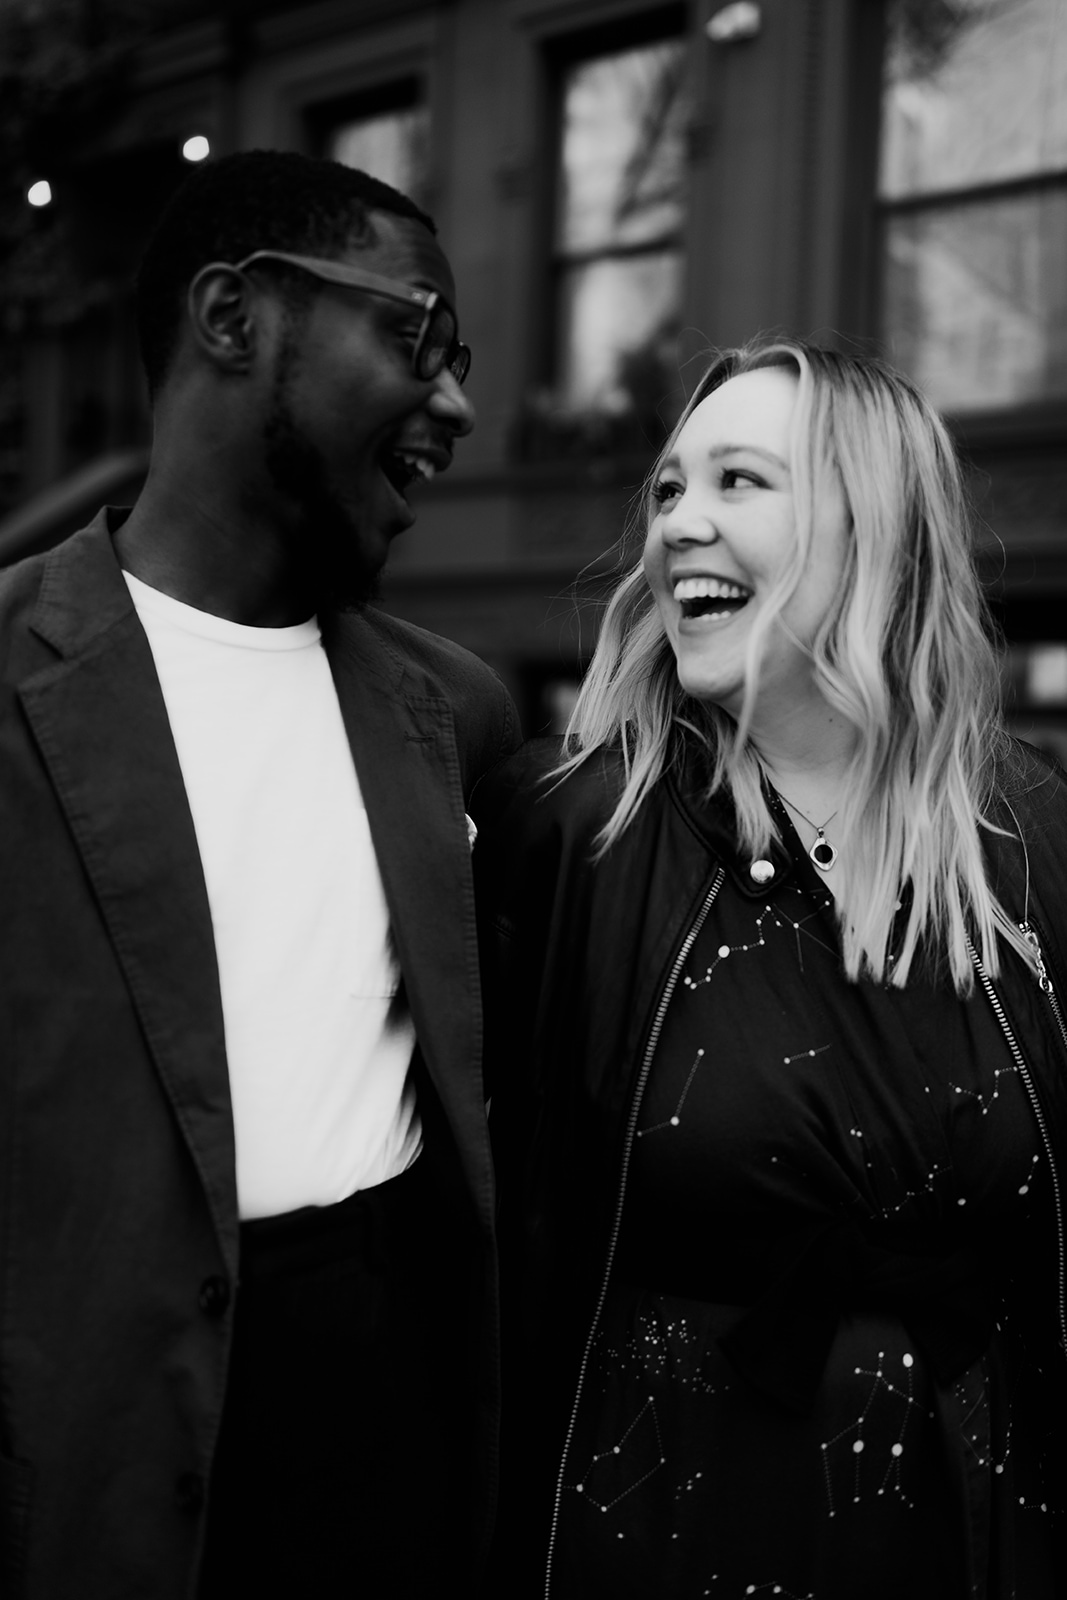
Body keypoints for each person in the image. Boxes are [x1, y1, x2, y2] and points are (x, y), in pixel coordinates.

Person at [0, 150, 519, 1598]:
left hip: (389, 1469)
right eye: (417, 336)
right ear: (236, 317)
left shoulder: (457, 713)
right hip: (94, 1491)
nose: (456, 403)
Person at [472, 338, 1067, 1599]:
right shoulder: (567, 831)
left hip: (981, 1526)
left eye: (737, 481)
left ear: (874, 524)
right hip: (657, 1524)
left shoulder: (1030, 830)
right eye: (667, 490)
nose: (678, 522)